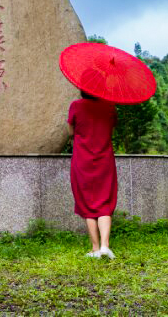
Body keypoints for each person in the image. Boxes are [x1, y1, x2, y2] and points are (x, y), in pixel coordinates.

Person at [67, 90, 118, 259]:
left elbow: (70, 131)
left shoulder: (76, 106)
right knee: (105, 201)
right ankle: (105, 246)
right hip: (104, 160)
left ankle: (95, 248)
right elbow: (112, 128)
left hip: (82, 161)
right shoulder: (110, 107)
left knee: (87, 203)